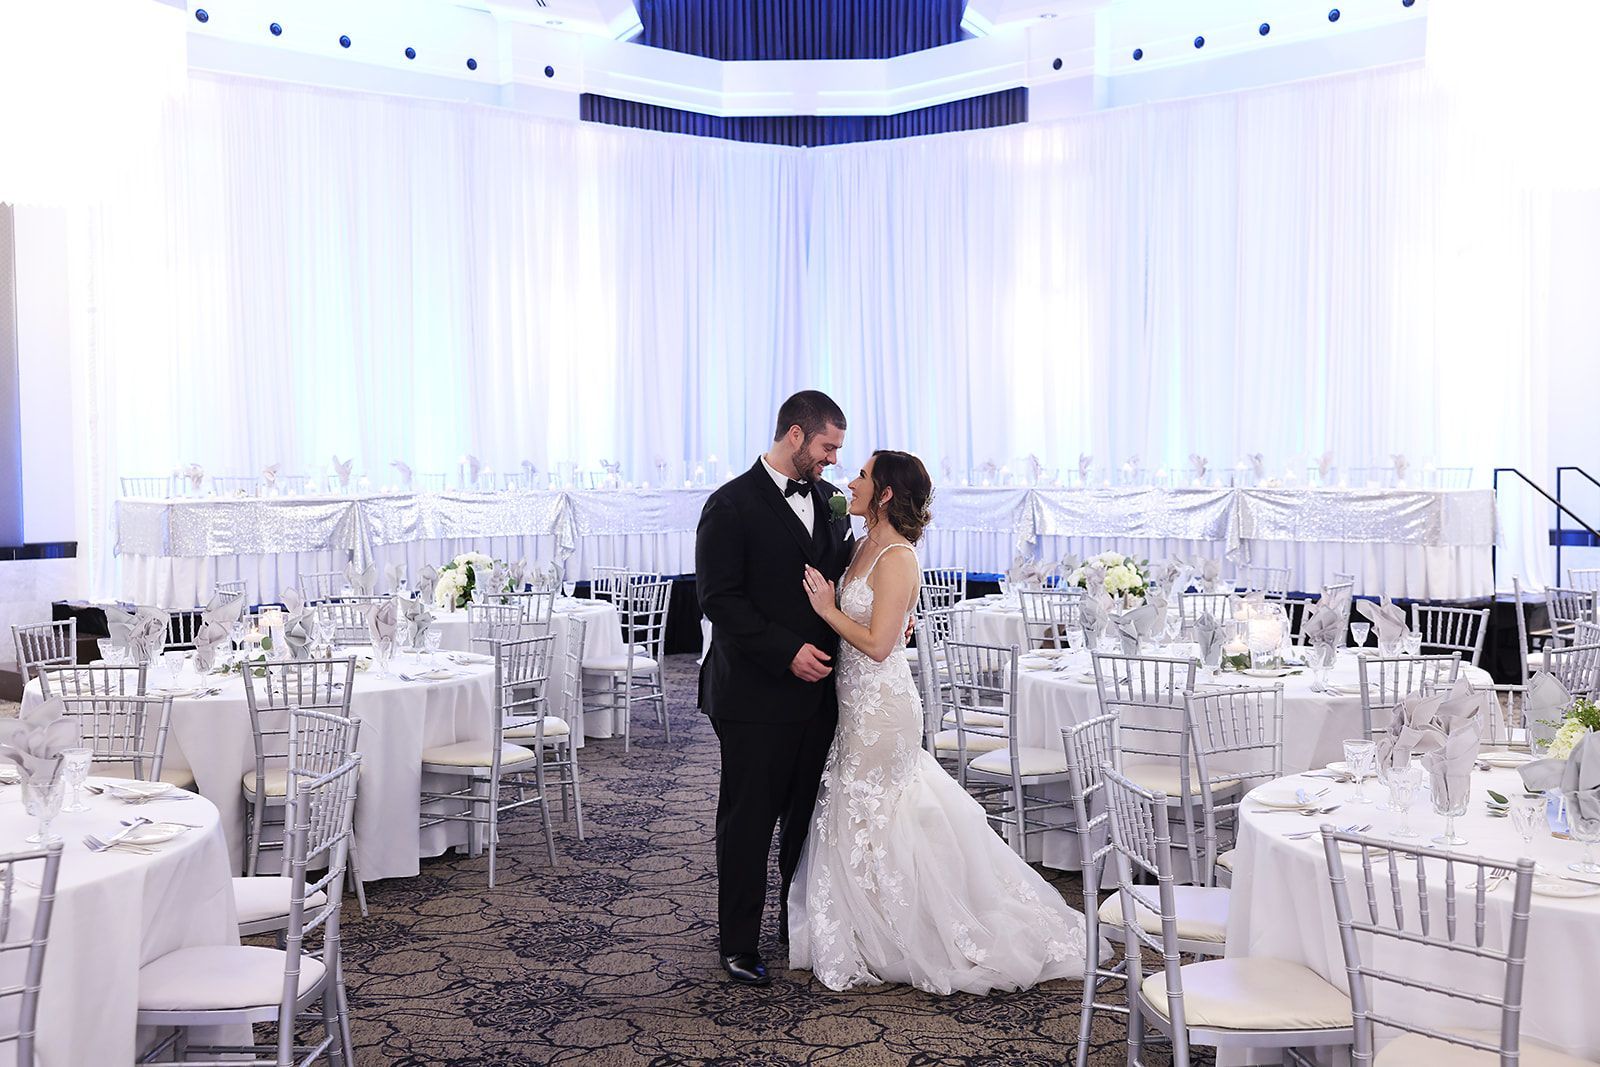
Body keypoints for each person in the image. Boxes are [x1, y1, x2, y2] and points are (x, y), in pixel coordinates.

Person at [788, 450, 1089, 994]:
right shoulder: (861, 543)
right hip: (854, 702)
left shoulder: (898, 556)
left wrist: (829, 610)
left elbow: (879, 645)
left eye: (862, 476)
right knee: (858, 808)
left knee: (880, 807)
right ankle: (869, 925)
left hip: (883, 708)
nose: (850, 482)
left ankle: (913, 930)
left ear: (884, 494)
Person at [695, 390, 856, 986]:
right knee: (748, 821)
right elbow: (718, 599)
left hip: (821, 694)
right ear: (795, 435)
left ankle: (795, 925)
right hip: (753, 696)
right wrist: (785, 651)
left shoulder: (831, 502)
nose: (834, 459)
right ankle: (738, 943)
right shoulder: (729, 504)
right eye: (828, 447)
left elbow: (845, 580)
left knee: (806, 818)